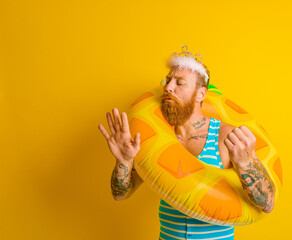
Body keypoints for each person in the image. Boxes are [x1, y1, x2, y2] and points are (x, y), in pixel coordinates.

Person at [98, 45, 276, 240]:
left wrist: (245, 164)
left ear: (200, 94)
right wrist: (124, 161)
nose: (168, 87)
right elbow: (120, 194)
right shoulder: (156, 140)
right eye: (168, 81)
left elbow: (267, 204)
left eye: (179, 83)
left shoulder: (227, 137)